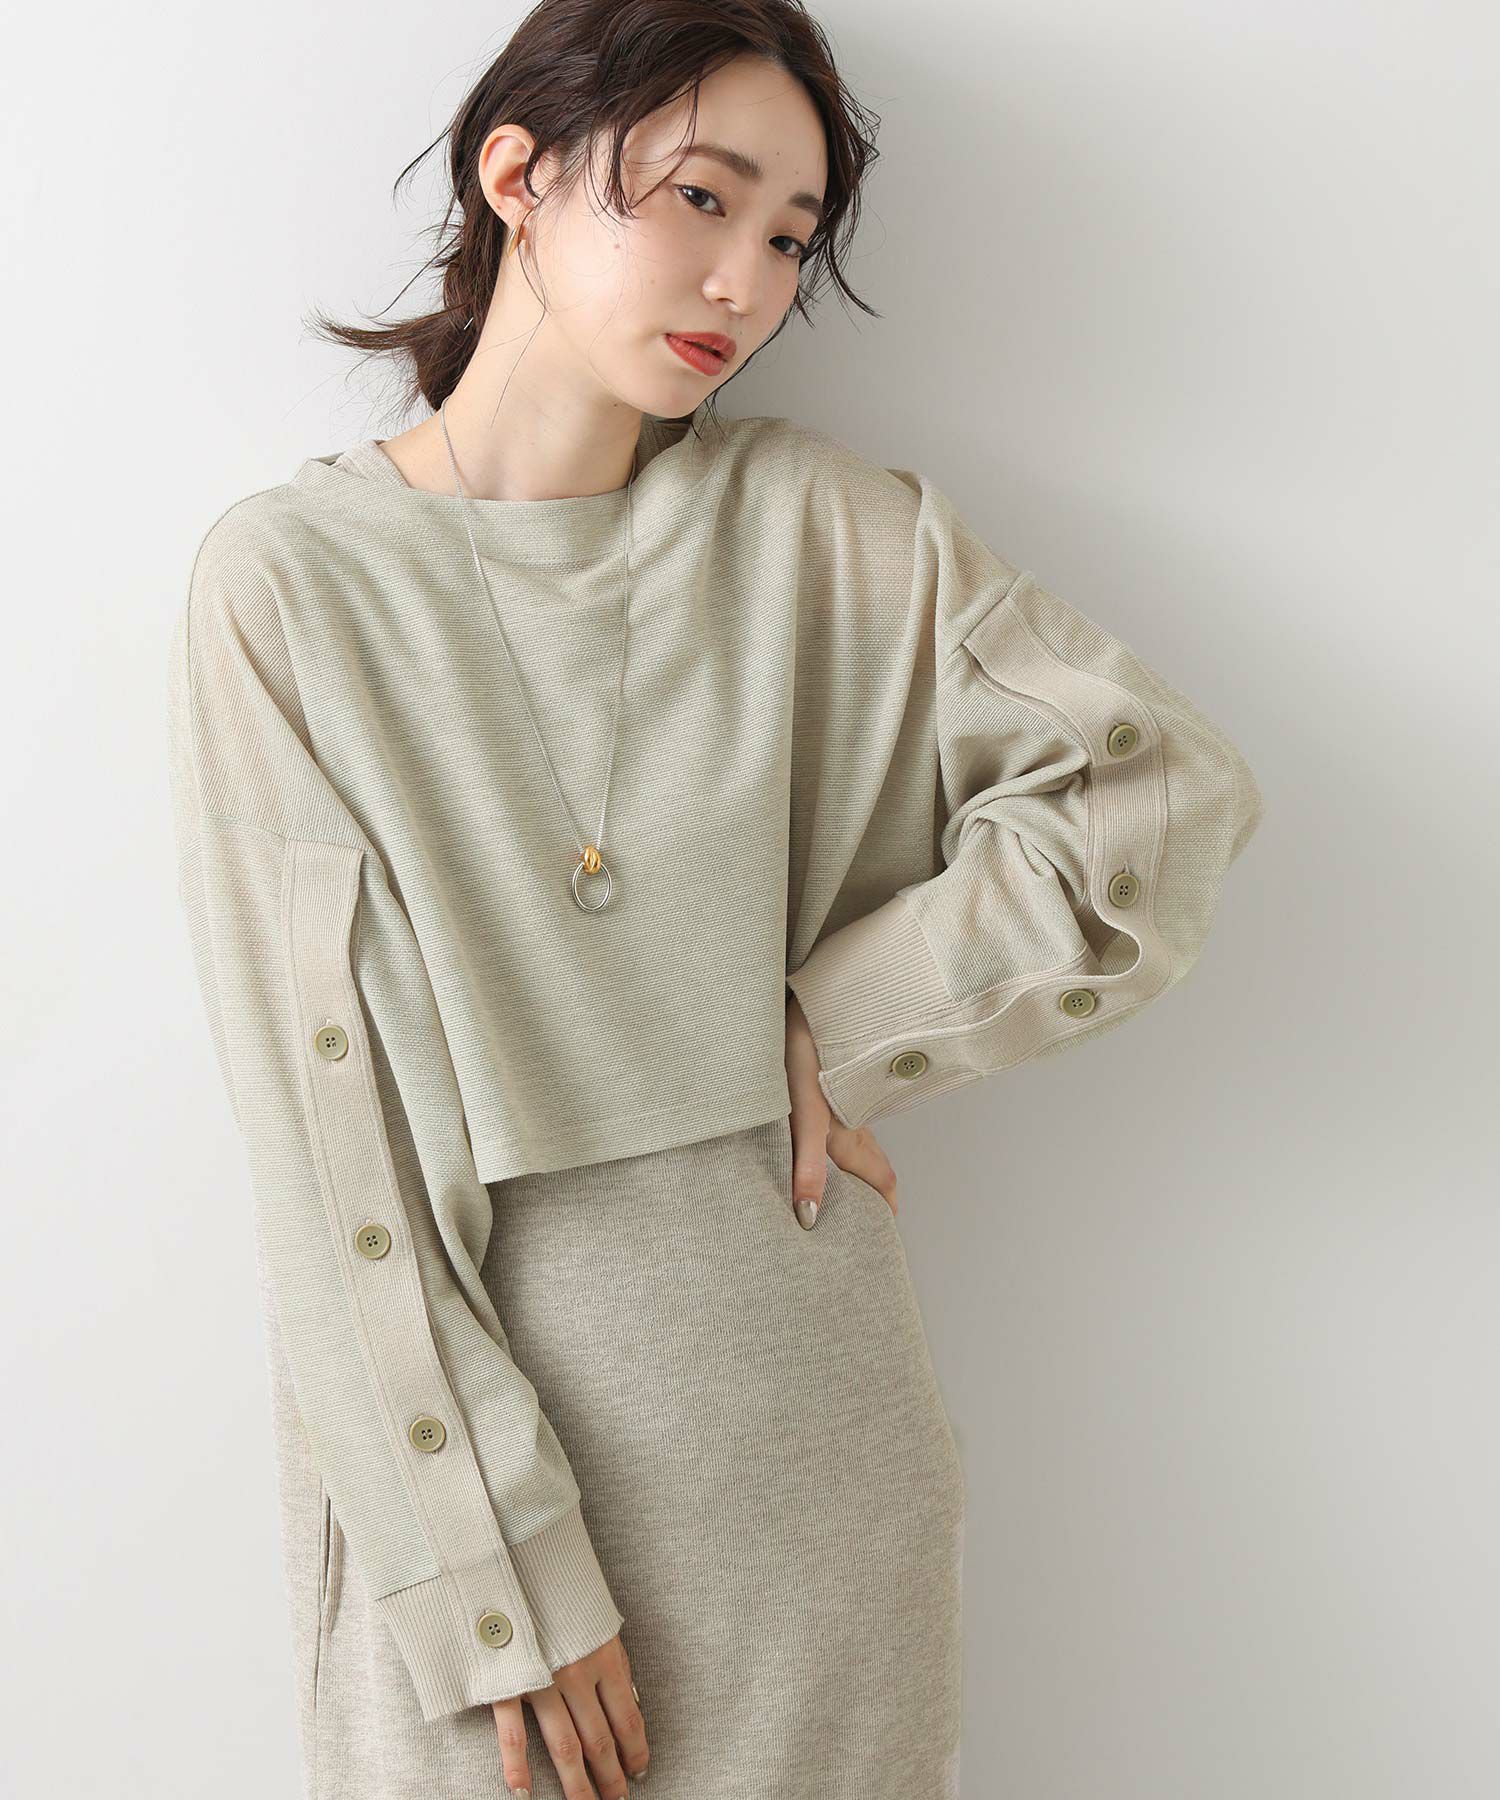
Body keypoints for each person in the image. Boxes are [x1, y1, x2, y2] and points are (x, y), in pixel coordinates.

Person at [164, 7, 1265, 1798]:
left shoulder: (817, 531)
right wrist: (495, 1576)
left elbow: (1157, 792)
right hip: (471, 1505)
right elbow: (329, 1150)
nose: (745, 281)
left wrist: (855, 1015)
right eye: (701, 197)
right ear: (517, 173)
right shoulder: (293, 587)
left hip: (817, 1479)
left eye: (790, 237)